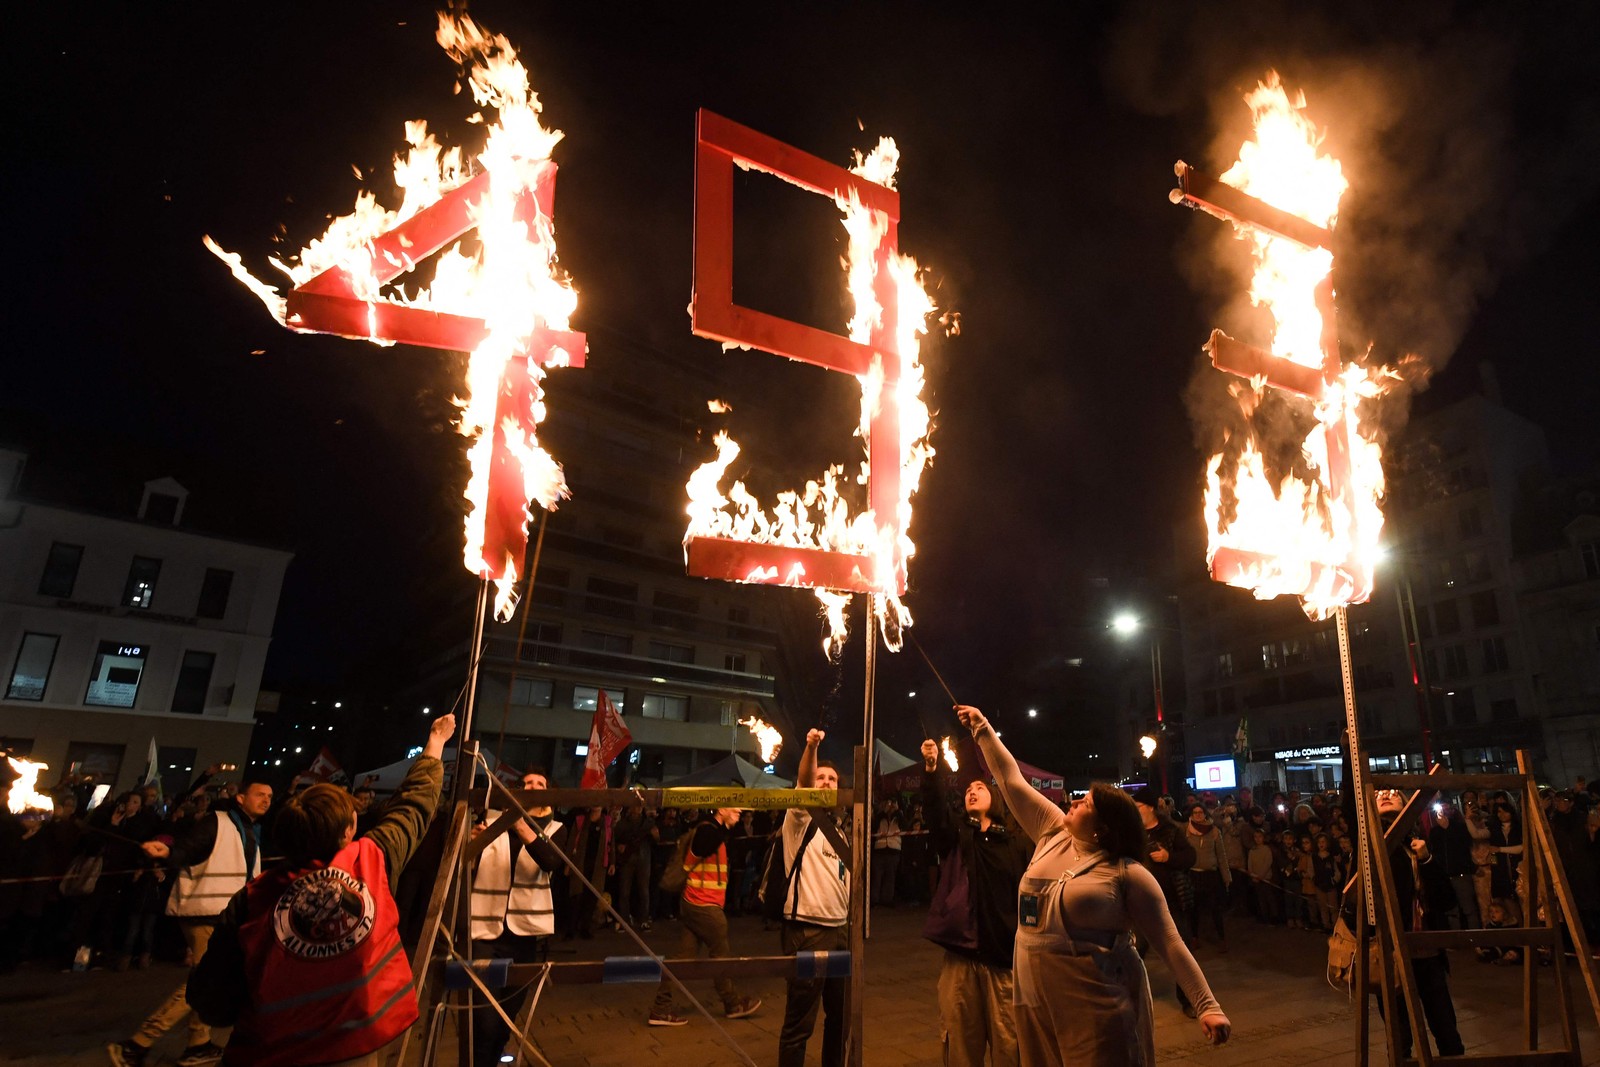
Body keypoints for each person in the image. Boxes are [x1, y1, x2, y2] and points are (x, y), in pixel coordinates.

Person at [955, 705, 1229, 1065]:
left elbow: (1170, 941)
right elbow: (1010, 780)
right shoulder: (1053, 833)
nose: (1074, 802)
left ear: (1104, 826)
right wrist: (983, 729)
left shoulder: (1127, 873)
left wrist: (1207, 1005)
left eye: (1085, 803)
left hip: (1094, 1003)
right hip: (1033, 995)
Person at [184, 713, 454, 1067]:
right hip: (351, 1050)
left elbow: (212, 1000)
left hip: (263, 1049)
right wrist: (434, 745)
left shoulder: (253, 898)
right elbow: (414, 805)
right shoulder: (371, 861)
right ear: (346, 833)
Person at [109, 776, 274, 1067]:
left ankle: (198, 1044)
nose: (266, 800)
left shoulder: (248, 829)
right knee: (203, 982)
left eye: (269, 796)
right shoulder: (217, 822)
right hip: (204, 911)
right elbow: (189, 848)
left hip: (222, 912)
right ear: (240, 798)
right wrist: (169, 852)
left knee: (208, 978)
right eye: (259, 794)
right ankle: (136, 1045)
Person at [919, 738, 1031, 1067]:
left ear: (995, 799)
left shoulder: (1015, 843)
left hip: (1004, 963)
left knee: (1009, 1047)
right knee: (961, 1049)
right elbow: (936, 811)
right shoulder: (956, 838)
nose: (972, 790)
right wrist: (931, 768)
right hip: (960, 960)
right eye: (968, 789)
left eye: (980, 787)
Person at [1358, 787, 1465, 1059]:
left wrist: (1426, 860)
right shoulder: (1370, 845)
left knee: (1446, 1031)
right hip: (1390, 954)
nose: (1385, 794)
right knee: (1400, 1037)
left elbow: (1446, 899)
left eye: (1393, 793)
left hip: (1428, 954)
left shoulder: (1418, 843)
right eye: (1379, 793)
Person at [469, 768, 564, 1066]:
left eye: (539, 784)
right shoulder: (491, 822)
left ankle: (494, 1058)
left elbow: (550, 861)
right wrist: (472, 846)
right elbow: (467, 870)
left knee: (505, 1019)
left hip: (524, 936)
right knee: (483, 1021)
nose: (532, 787)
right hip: (485, 932)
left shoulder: (555, 829)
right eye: (526, 784)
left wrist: (518, 821)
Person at [648, 806, 761, 1026]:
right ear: (721, 808)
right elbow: (701, 848)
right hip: (704, 904)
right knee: (720, 955)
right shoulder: (708, 831)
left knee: (682, 959)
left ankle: (660, 1009)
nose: (740, 811)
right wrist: (720, 827)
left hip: (695, 901)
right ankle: (733, 1003)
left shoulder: (711, 831)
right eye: (735, 807)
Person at [777, 729, 850, 1067]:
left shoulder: (843, 833)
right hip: (808, 932)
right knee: (799, 1023)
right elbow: (804, 785)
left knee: (840, 1019)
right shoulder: (800, 818)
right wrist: (812, 747)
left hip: (841, 934)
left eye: (832, 779)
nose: (825, 782)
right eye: (821, 776)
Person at [872, 797, 903, 907]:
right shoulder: (880, 816)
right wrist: (884, 812)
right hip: (880, 848)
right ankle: (874, 899)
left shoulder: (899, 817)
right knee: (877, 875)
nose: (890, 806)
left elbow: (905, 825)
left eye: (892, 803)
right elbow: (874, 826)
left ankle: (887, 899)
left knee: (890, 876)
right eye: (888, 803)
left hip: (893, 848)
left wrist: (898, 811)